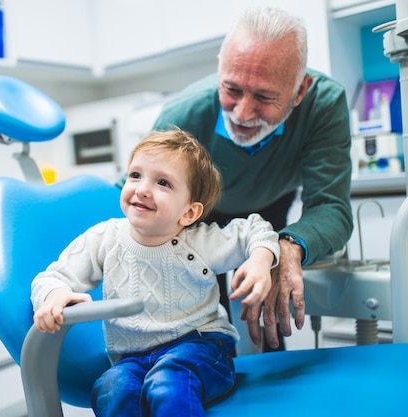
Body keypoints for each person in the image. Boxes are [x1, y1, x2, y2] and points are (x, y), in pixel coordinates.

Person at [31, 130, 279, 417]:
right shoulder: (104, 238)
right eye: (135, 175)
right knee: (111, 388)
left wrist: (261, 259)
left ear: (188, 213)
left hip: (200, 345)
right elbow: (50, 277)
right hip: (131, 358)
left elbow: (255, 228)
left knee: (168, 380)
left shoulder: (200, 242)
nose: (142, 189)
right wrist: (54, 295)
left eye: (163, 182)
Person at [148, 6, 353, 351]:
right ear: (219, 69)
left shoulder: (324, 103)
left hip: (272, 202)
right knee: (203, 321)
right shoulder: (183, 115)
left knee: (269, 300)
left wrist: (287, 248)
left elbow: (331, 206)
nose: (242, 113)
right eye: (232, 90)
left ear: (300, 91)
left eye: (264, 96)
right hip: (196, 212)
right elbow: (138, 201)